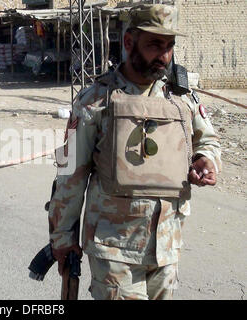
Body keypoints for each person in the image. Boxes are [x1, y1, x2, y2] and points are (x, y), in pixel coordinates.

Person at [48, 4, 221, 300]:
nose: (164, 56)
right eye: (154, 44)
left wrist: (206, 159)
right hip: (113, 248)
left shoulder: (181, 99)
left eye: (169, 46)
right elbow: (70, 174)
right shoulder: (95, 101)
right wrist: (62, 237)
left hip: (167, 245)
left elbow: (208, 140)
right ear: (129, 43)